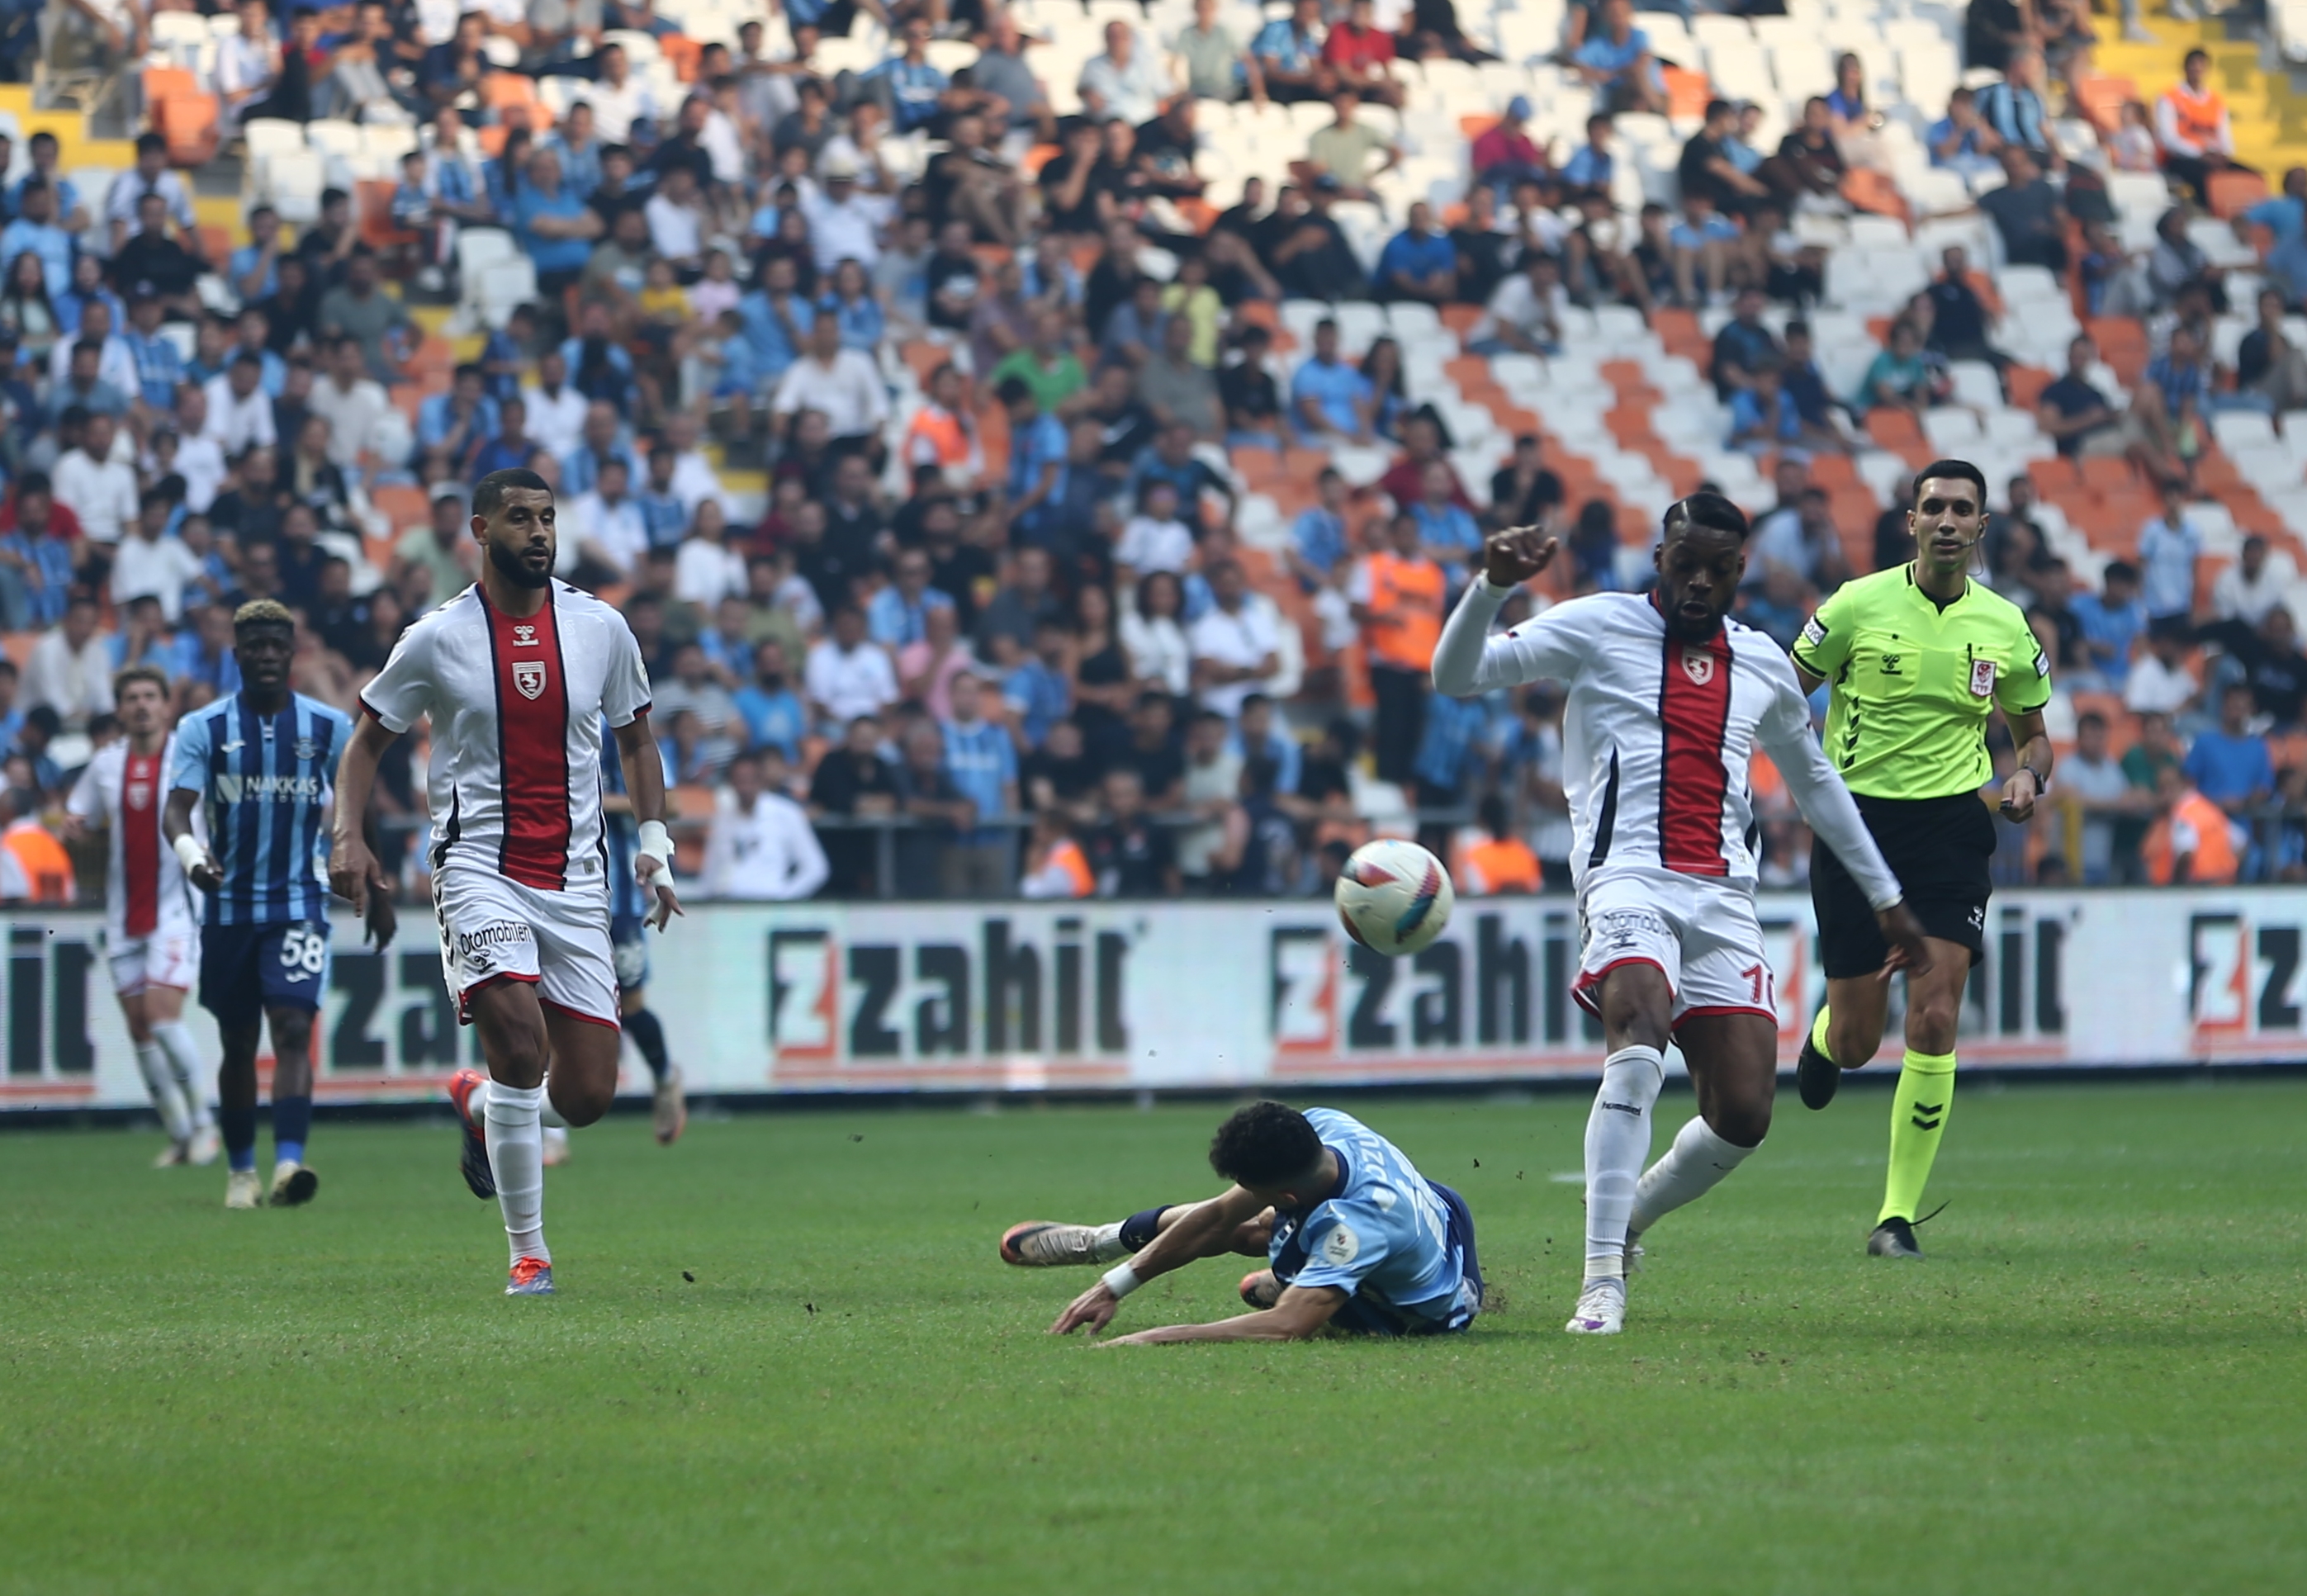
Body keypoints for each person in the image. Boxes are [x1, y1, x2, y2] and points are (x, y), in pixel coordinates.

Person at [1431, 496, 1929, 1333]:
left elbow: (1814, 786)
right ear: (1659, 557)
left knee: (1742, 1113)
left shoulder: (1764, 664)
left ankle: (1628, 1221)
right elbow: (1456, 676)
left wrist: (1887, 899)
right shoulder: (1597, 626)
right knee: (1636, 1041)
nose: (1698, 581)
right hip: (1625, 878)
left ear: (1741, 570)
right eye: (1683, 562)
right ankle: (1599, 1282)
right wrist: (1489, 587)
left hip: (1724, 898)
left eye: (1717, 568)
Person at [329, 468, 678, 1299]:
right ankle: (530, 1256)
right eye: (520, 518)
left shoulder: (599, 626)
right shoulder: (436, 637)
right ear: (481, 531)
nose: (539, 533)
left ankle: (480, 1104)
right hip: (477, 866)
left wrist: (655, 843)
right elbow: (365, 742)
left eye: (548, 518)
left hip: (575, 879)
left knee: (588, 1093)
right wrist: (349, 835)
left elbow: (636, 739)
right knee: (520, 1047)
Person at [1788, 462, 2054, 1262]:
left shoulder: (2005, 624)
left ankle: (1894, 1217)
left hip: (1948, 829)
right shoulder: (1853, 605)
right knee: (1865, 1039)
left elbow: (2033, 731)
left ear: (1980, 527)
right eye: (1932, 506)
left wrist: (2025, 774)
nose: (1945, 519)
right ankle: (1829, 1036)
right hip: (1855, 826)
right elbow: (1777, 692)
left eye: (1961, 509)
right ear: (1910, 520)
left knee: (1935, 1015)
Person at [162, 600, 395, 1210]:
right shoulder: (202, 728)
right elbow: (175, 812)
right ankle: (242, 1170)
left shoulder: (328, 727)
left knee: (292, 1028)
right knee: (239, 1043)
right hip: (229, 908)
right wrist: (193, 857)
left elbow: (359, 803)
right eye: (255, 646)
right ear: (236, 654)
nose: (266, 656)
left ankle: (290, 1161)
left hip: (298, 902)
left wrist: (378, 881)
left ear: (293, 655)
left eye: (276, 646)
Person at [1016, 1101, 1482, 1343]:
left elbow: (1285, 1327)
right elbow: (1217, 1217)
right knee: (1247, 1220)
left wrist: (1157, 1337)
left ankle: (1310, 1282)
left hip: (1430, 1309)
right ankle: (1101, 1239)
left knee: (1264, 1230)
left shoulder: (1355, 1230)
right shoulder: (1324, 1125)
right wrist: (1113, 1285)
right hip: (1440, 1213)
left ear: (1289, 1195)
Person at [64, 665, 218, 1168]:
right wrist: (75, 830)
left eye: (150, 696)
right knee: (139, 1030)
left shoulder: (187, 757)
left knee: (161, 1018)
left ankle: (205, 1127)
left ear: (166, 704)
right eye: (131, 698)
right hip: (122, 914)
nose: (141, 705)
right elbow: (79, 819)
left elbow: (218, 811)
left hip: (176, 910)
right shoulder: (105, 765)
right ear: (119, 708)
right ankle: (178, 1134)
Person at [601, 725, 688, 1147]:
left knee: (631, 1005)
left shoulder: (620, 729)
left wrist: (599, 804)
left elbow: (674, 802)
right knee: (546, 1006)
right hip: (554, 893)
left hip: (620, 899)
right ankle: (551, 1132)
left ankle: (665, 1079)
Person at [700, 748, 831, 901]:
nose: (745, 788)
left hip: (769, 906)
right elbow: (711, 870)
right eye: (740, 781)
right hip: (728, 905)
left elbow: (816, 868)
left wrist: (785, 898)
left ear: (761, 780)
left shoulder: (787, 814)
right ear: (732, 783)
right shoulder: (723, 818)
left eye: (750, 780)